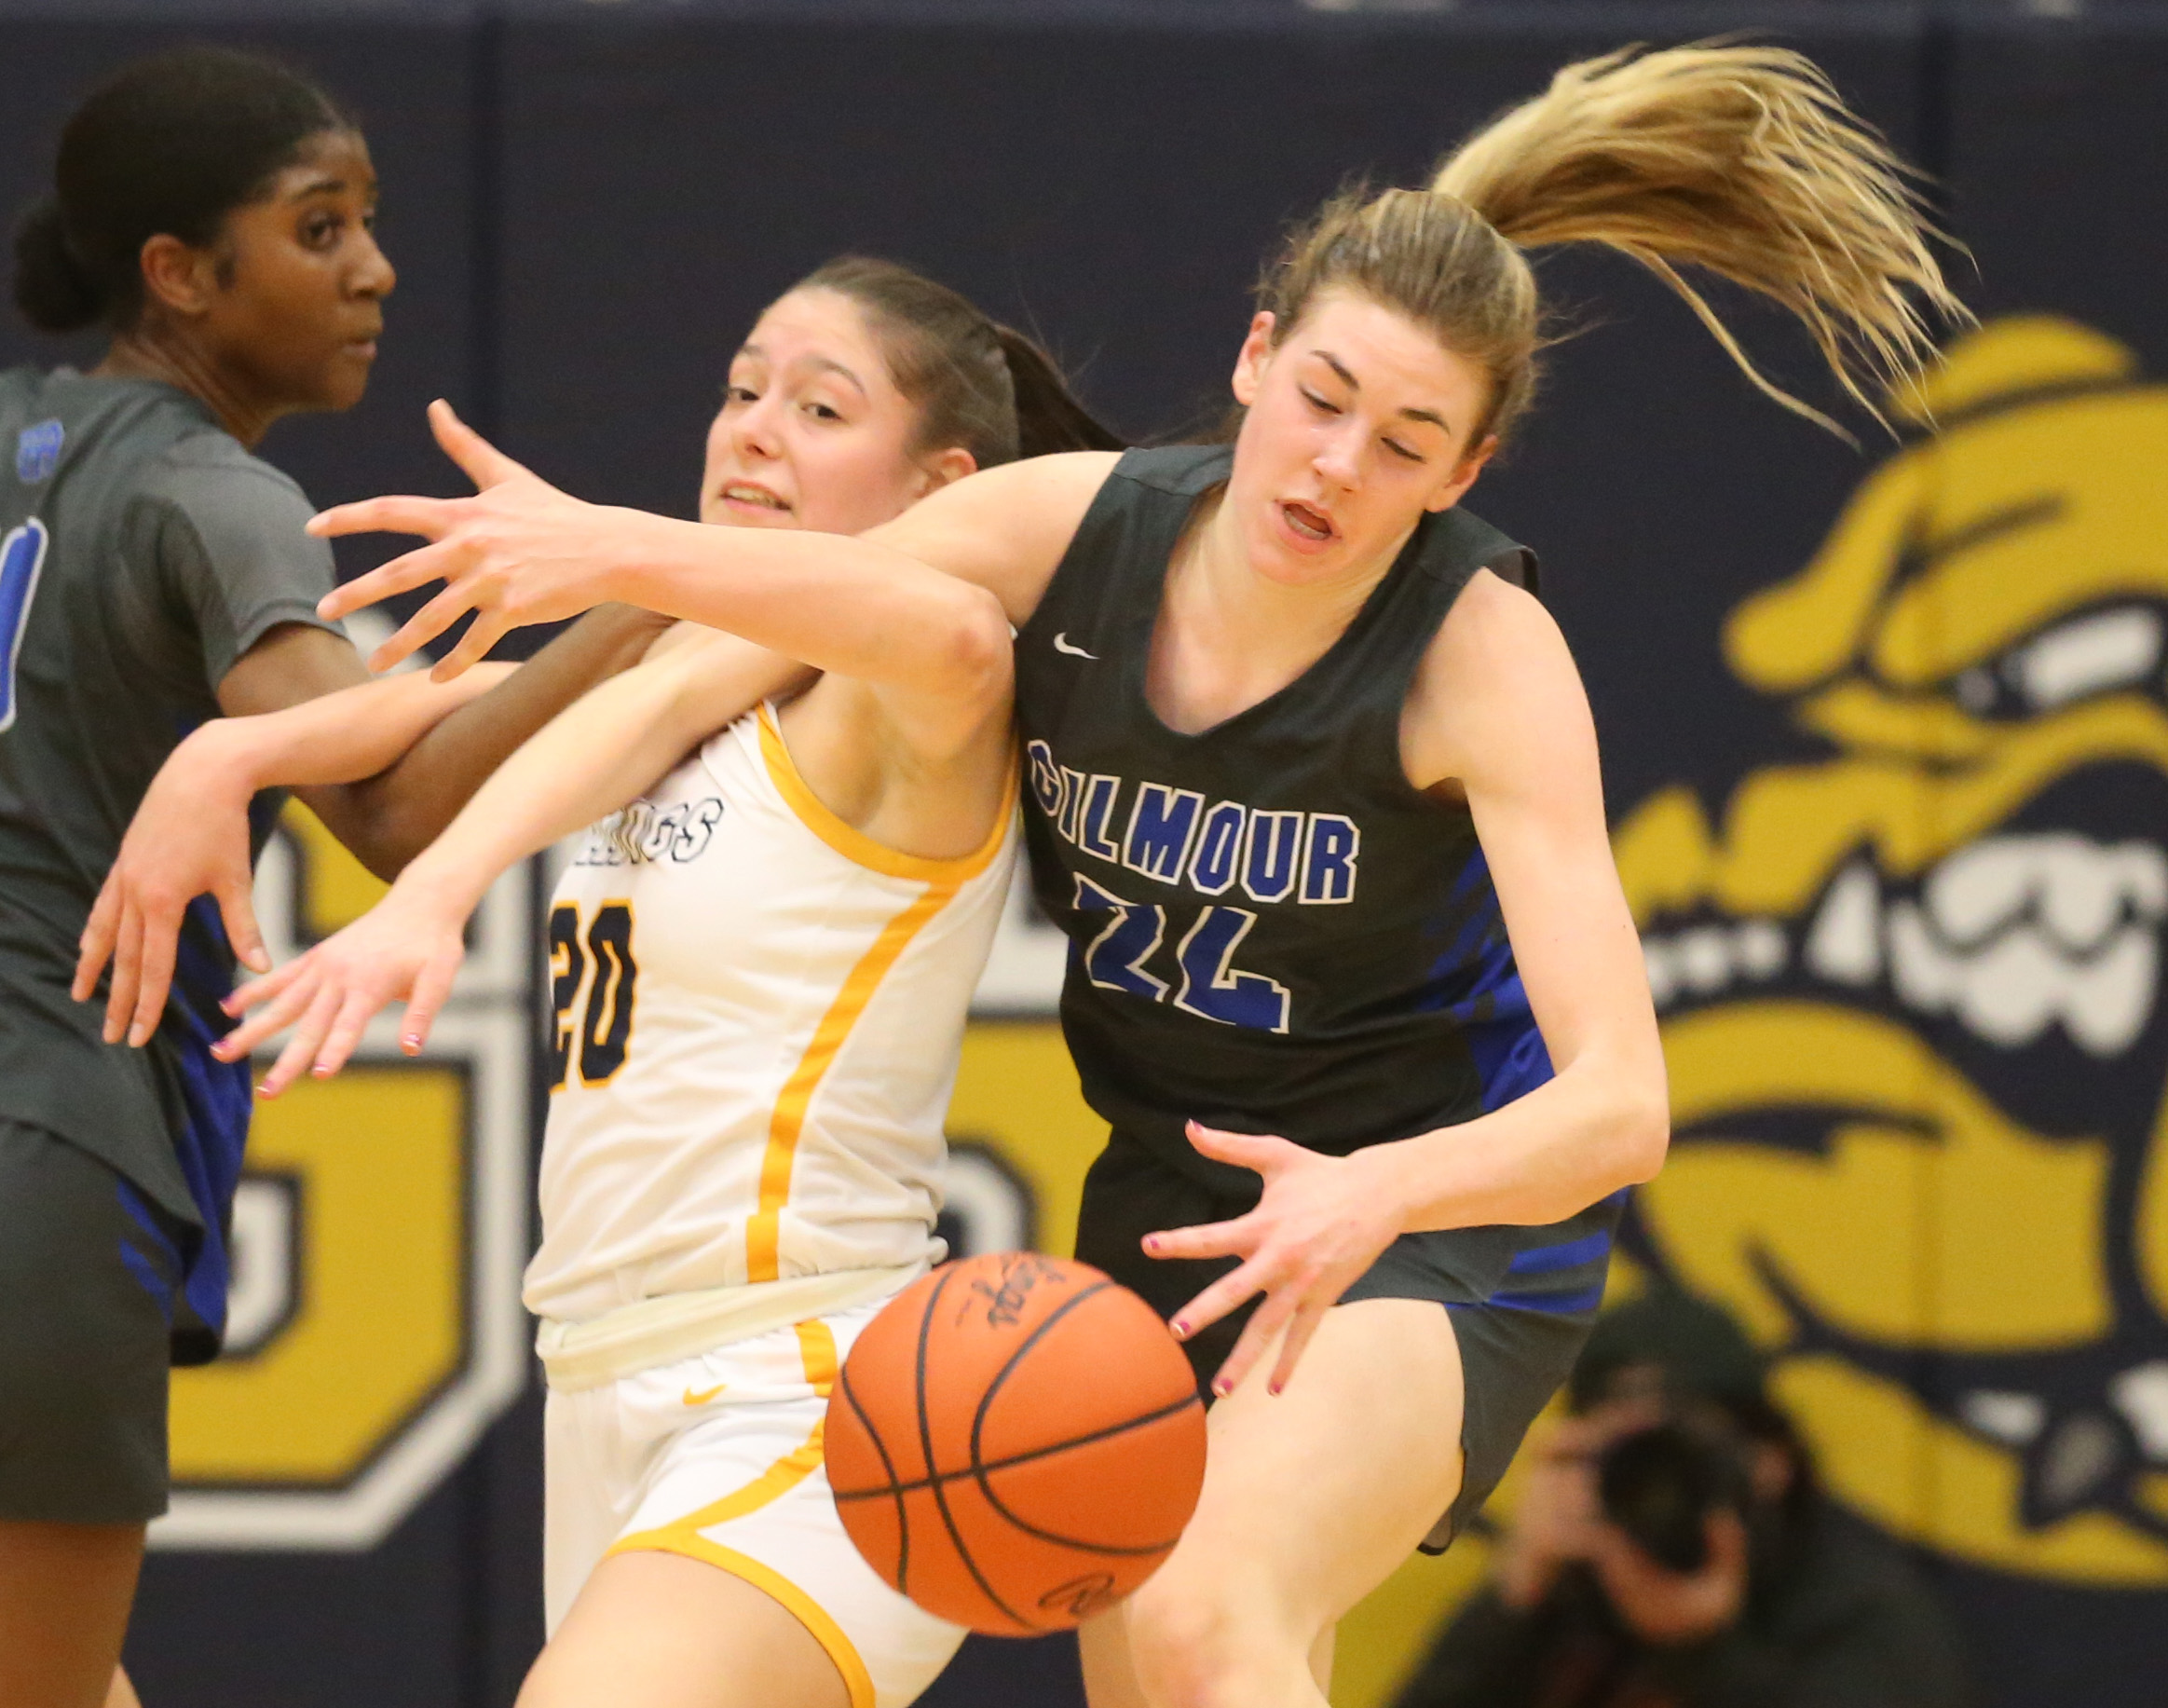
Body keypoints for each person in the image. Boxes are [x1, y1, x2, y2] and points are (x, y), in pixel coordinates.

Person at [297, 44, 1968, 1708]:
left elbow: (1619, 1106)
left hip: (1429, 1224)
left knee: (1196, 1605)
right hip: (1175, 1213)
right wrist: (443, 887)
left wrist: (1371, 1190)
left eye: (1404, 444)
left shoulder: (1480, 657)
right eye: (1320, 401)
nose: (1335, 468)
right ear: (1252, 361)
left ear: (1463, 475)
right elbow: (689, 673)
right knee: (1172, 1660)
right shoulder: (1069, 526)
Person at [159, 257, 1123, 1708]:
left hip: (808, 1393)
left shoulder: (917, 694)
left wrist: (607, 551)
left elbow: (942, 622)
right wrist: (228, 753)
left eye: (816, 407)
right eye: (742, 390)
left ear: (943, 486)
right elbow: (418, 718)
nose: (751, 429)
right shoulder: (669, 677)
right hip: (601, 1386)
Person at [1, 47, 758, 1708]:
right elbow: (400, 811)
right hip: (51, 1144)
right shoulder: (213, 491)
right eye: (318, 227)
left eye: (374, 221)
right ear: (179, 276)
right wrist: (655, 582)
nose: (376, 268)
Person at [1391, 1287, 1975, 1708]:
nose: (1659, 1487)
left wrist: (1704, 1652)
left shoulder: (1860, 1613)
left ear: (1771, 1462)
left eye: (1683, 1450)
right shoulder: (1557, 1603)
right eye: (1627, 1456)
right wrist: (1512, 1600)